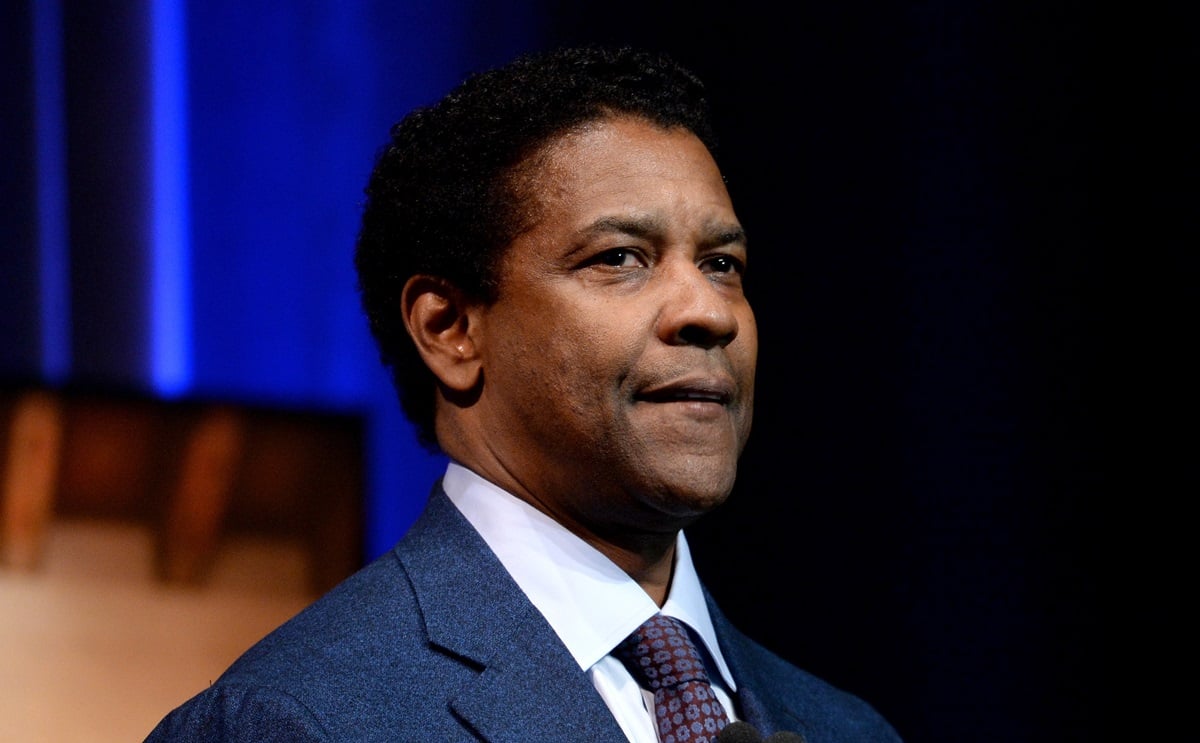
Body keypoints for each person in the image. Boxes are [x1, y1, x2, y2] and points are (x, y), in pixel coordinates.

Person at [145, 45, 903, 743]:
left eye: (722, 263)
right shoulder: (291, 721)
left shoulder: (848, 728)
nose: (706, 311)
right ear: (450, 329)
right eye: (619, 258)